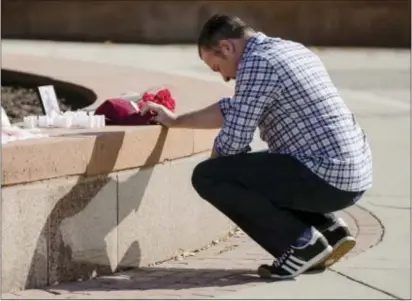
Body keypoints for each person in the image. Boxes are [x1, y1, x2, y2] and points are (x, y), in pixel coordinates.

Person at [141, 14, 372, 279]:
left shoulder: (258, 64)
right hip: (353, 173)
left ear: (227, 47)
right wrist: (175, 121)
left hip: (326, 176)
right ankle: (329, 229)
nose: (225, 78)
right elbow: (232, 110)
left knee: (208, 176)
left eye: (217, 68)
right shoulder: (289, 48)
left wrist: (217, 169)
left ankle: (299, 245)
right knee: (258, 169)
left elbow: (233, 142)